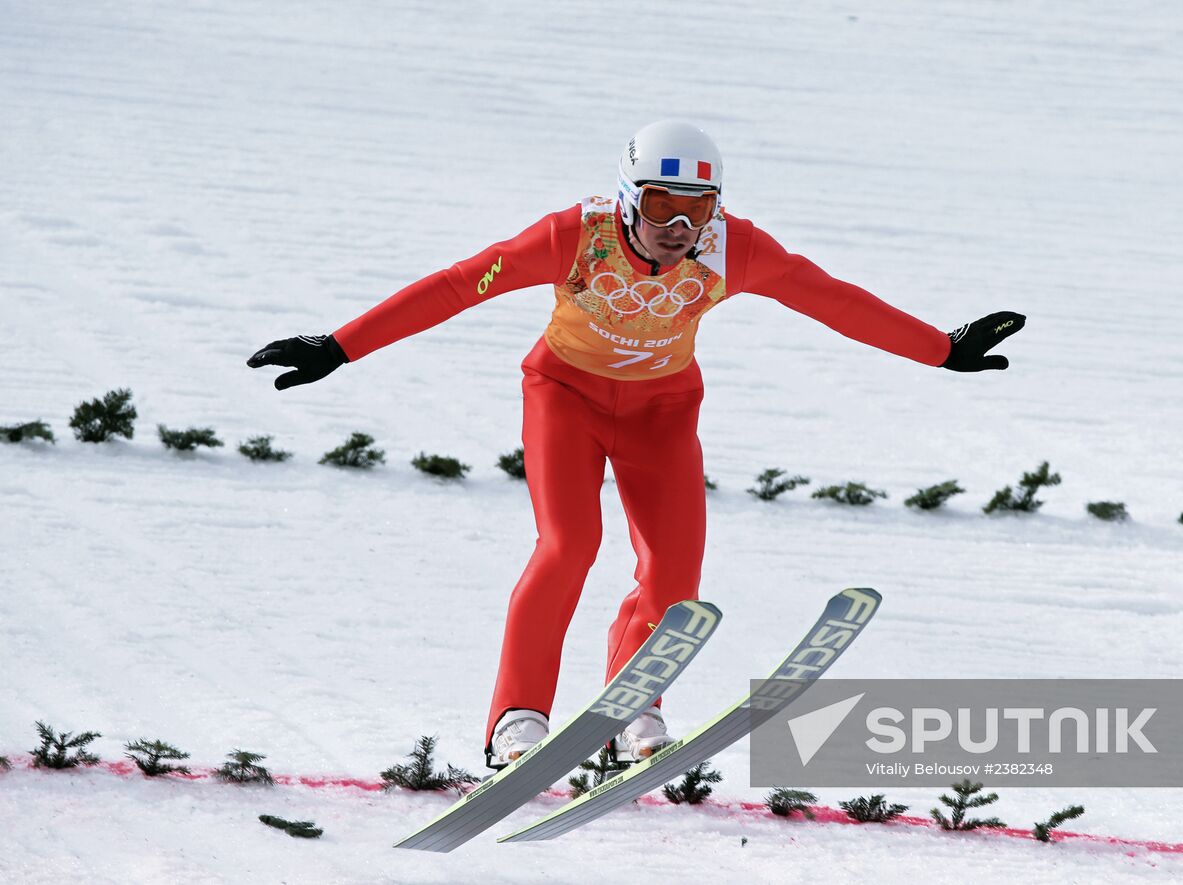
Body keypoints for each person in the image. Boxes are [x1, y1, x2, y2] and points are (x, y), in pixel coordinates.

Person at [247, 120, 1025, 769]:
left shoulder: (732, 250)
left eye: (698, 208)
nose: (679, 227)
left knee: (676, 570)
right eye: (660, 203)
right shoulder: (572, 237)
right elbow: (458, 284)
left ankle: (631, 703)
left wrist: (940, 348)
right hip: (566, 397)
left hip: (662, 410)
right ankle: (517, 716)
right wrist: (341, 346)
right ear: (626, 197)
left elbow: (832, 300)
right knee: (568, 543)